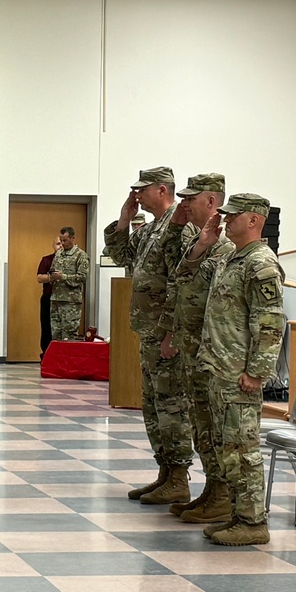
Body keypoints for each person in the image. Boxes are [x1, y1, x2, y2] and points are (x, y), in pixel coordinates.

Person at [183, 194, 284, 546]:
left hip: (238, 372)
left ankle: (253, 522)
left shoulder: (261, 263)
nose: (224, 220)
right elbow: (191, 279)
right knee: (227, 448)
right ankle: (236, 514)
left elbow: (270, 323)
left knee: (243, 449)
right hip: (217, 368)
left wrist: (257, 372)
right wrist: (203, 244)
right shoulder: (230, 257)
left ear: (253, 220)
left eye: (232, 215)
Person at [103, 166, 193, 505]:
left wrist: (171, 332)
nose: (137, 194)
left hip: (166, 334)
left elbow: (180, 284)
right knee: (154, 407)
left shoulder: (179, 229)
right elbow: (120, 256)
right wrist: (124, 220)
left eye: (143, 189)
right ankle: (165, 472)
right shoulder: (151, 228)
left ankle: (180, 476)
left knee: (171, 407)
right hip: (149, 331)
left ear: (162, 190)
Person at [164, 174, 235, 524]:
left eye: (193, 198)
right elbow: (181, 281)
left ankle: (223, 495)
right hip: (193, 349)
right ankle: (211, 489)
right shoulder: (203, 242)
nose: (186, 203)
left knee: (216, 426)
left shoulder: (230, 249)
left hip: (215, 353)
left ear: (212, 202)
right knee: (200, 424)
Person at [48, 226, 89, 341]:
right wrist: (52, 276)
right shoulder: (59, 254)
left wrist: (63, 277)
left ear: (72, 238)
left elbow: (82, 277)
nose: (62, 243)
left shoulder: (81, 256)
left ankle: (68, 359)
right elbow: (52, 269)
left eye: (65, 240)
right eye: (61, 240)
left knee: (69, 336)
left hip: (71, 302)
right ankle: (57, 359)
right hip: (56, 299)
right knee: (56, 335)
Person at [35, 235, 62, 358]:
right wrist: (52, 277)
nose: (60, 246)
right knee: (47, 328)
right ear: (53, 245)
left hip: (65, 301)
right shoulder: (47, 260)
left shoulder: (74, 260)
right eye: (57, 244)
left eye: (62, 243)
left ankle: (62, 356)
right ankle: (46, 355)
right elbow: (40, 278)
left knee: (63, 329)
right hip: (48, 298)